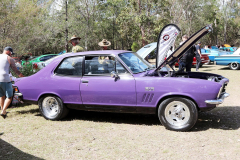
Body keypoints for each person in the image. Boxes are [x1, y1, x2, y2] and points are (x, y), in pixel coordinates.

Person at [0, 47, 24, 118]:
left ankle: (2, 110)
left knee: (1, 96)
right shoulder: (9, 58)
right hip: (5, 79)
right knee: (10, 96)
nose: (11, 55)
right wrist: (24, 78)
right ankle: (3, 111)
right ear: (8, 51)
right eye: (11, 53)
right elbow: (16, 71)